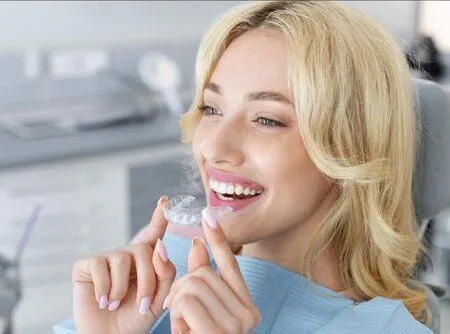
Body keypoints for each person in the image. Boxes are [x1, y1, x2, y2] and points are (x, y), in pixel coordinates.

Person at [54, 1, 433, 333]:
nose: (214, 147)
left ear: (351, 147)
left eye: (267, 120)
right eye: (211, 109)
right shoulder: (159, 268)